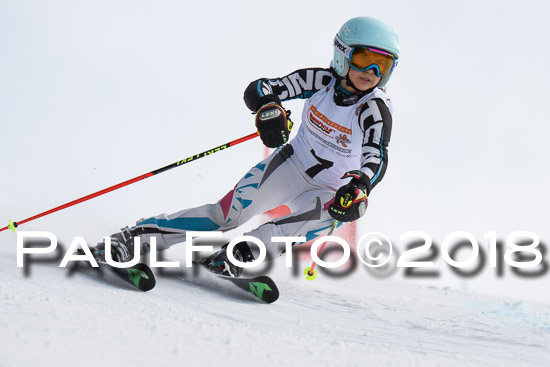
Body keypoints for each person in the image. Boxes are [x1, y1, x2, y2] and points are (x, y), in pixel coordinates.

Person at [93, 16, 399, 277]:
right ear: (342, 54)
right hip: (291, 165)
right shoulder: (321, 81)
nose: (371, 72)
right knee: (226, 216)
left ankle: (237, 256)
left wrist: (360, 185)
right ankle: (133, 240)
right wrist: (270, 111)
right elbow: (261, 89)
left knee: (294, 228)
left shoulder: (374, 108)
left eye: (382, 65)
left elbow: (377, 153)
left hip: (331, 190)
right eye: (363, 59)